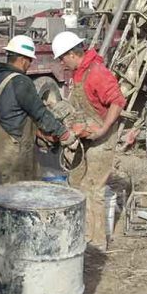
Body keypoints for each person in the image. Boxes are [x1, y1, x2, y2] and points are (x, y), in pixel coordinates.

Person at [51, 31, 126, 249]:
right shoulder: (79, 73)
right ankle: (84, 235)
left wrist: (103, 129)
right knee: (77, 183)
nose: (62, 63)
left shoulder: (97, 72)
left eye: (62, 58)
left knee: (94, 188)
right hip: (86, 138)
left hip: (101, 139)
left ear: (72, 54)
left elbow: (117, 101)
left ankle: (98, 242)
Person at [0, 35, 77, 183]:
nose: (30, 65)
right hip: (16, 150)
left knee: (5, 187)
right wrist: (63, 134)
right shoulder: (21, 81)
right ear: (22, 59)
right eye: (30, 61)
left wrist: (33, 130)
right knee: (22, 190)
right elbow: (40, 113)